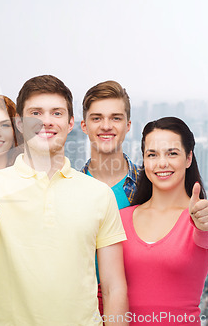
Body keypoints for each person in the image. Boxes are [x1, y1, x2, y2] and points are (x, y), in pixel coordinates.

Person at [0, 75, 129, 326]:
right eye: (36, 113)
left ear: (70, 124)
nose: (46, 121)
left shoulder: (99, 194)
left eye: (56, 113)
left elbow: (113, 287)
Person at [120, 117, 208, 325]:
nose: (162, 163)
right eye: (152, 154)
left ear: (188, 158)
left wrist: (204, 224)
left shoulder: (203, 215)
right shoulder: (121, 218)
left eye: (172, 153)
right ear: (144, 160)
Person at [80, 80, 138, 315]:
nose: (106, 126)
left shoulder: (150, 187)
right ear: (84, 126)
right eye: (97, 118)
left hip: (141, 307)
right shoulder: (67, 189)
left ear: (128, 125)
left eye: (115, 118)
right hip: (81, 311)